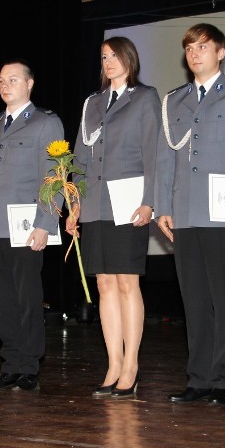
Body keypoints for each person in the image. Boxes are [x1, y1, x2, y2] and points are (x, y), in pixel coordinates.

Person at [155, 23, 225, 405]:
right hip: (185, 213)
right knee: (195, 301)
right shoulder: (174, 101)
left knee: (224, 297)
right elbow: (164, 157)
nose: (195, 53)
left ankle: (223, 379)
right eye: (189, 48)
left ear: (220, 52)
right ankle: (198, 377)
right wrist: (163, 206)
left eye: (203, 47)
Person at [65, 36, 160, 398]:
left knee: (126, 283)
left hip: (129, 201)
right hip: (96, 205)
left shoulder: (145, 97)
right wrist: (76, 205)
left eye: (114, 56)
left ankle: (132, 363)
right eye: (103, 57)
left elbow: (154, 153)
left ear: (129, 59)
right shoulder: (92, 103)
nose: (108, 62)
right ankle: (113, 362)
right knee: (104, 284)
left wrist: (150, 201)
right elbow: (80, 159)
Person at [0, 59, 64, 392]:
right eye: (1, 80)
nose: (5, 85)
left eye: (13, 79)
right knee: (0, 298)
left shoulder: (44, 123)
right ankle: (10, 363)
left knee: (27, 295)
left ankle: (29, 364)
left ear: (29, 84)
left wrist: (46, 223)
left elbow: (54, 176)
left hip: (26, 224)